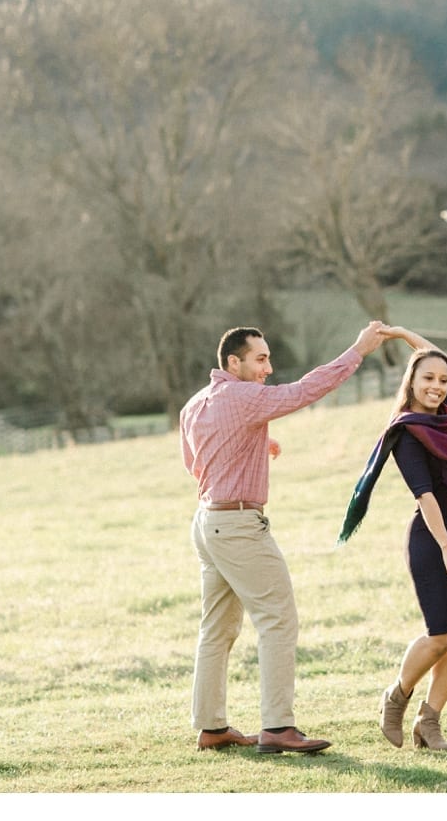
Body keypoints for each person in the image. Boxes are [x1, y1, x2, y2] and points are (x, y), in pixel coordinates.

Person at [182, 320, 389, 755]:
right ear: (232, 362)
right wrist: (357, 351)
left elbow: (196, 462)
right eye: (260, 359)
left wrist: (257, 442)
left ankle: (211, 727)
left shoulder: (197, 403)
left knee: (216, 631)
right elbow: (303, 391)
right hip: (238, 526)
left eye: (269, 358)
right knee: (278, 620)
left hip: (207, 523)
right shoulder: (243, 397)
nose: (268, 368)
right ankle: (277, 727)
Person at [338, 326, 447, 750]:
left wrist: (405, 335)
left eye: (443, 381)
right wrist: (446, 546)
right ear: (411, 382)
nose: (437, 387)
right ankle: (397, 695)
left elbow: (437, 359)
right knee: (441, 633)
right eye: (427, 379)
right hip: (433, 536)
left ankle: (430, 722)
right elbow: (424, 494)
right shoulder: (408, 431)